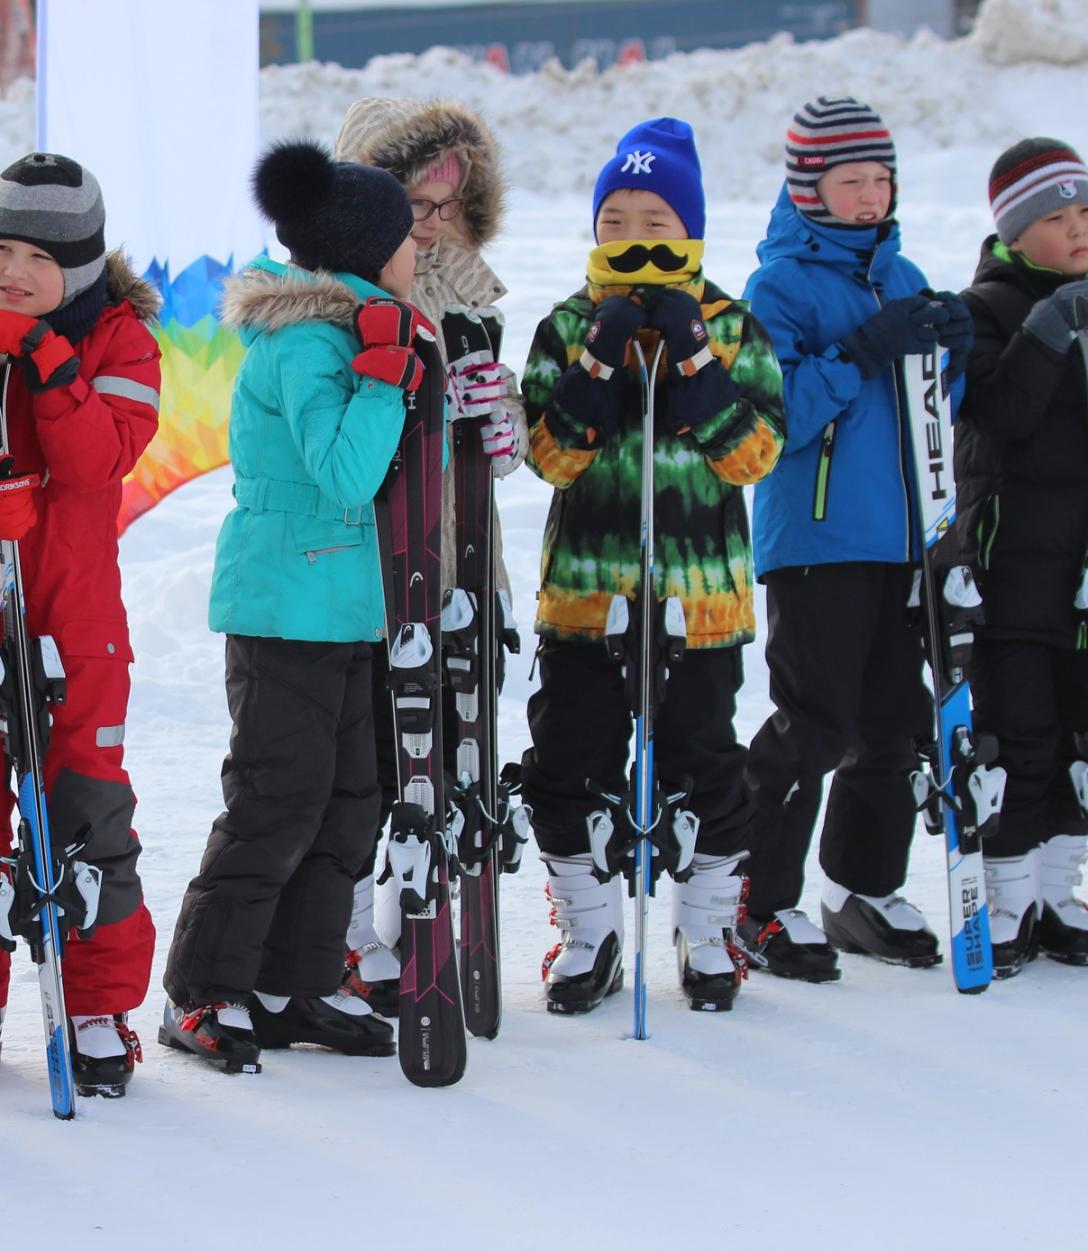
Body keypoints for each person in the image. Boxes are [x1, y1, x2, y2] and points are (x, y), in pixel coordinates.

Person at [160, 140, 431, 1071]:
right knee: (278, 802)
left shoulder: (354, 327)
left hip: (347, 605)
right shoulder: (310, 340)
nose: (415, 254)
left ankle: (293, 980)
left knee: (352, 800)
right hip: (285, 603)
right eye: (403, 240)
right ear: (363, 253)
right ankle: (202, 991)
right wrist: (386, 379)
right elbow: (347, 472)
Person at [517, 117, 785, 1015]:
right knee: (567, 761)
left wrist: (699, 359)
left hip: (698, 598)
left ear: (691, 232)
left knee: (706, 765)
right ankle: (588, 927)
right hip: (591, 599)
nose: (634, 241)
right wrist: (598, 357)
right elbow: (549, 457)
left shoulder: (733, 326)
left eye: (655, 223)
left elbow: (753, 456)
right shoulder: (564, 326)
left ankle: (706, 927)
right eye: (616, 222)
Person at [0, 154, 164, 1097]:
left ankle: (96, 1003)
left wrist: (47, 360)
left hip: (73, 615)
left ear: (85, 270)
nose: (14, 272)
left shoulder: (119, 341)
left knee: (84, 807)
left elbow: (100, 461)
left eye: (41, 258)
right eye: (0, 248)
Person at [739, 97, 975, 979]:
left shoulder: (903, 273)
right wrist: (864, 348)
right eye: (850, 181)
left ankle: (861, 889)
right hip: (818, 538)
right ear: (810, 187)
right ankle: (756, 900)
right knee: (816, 722)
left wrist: (953, 356)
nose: (869, 196)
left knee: (891, 723)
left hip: (900, 538)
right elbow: (777, 423)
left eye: (881, 179)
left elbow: (930, 420)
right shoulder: (779, 287)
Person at [331, 97, 528, 1012]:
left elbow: (509, 439)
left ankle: (423, 903)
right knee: (370, 752)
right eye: (413, 202)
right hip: (370, 562)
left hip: (457, 559)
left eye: (449, 203)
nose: (433, 221)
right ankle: (346, 926)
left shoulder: (472, 297)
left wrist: (501, 415)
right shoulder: (343, 302)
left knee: (446, 743)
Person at [955, 137, 1088, 974]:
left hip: (1079, 567)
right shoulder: (988, 307)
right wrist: (1048, 327)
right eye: (1056, 218)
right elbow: (993, 417)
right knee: (1019, 734)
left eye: (1085, 214)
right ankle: (1005, 898)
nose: (1077, 230)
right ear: (1014, 231)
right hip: (1012, 565)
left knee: (1078, 739)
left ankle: (1058, 889)